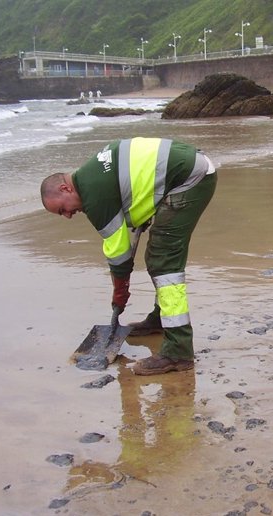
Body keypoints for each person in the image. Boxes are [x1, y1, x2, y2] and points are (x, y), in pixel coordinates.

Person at [40, 138, 217, 375]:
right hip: (187, 170)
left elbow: (119, 253)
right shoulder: (90, 177)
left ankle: (178, 351)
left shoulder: (95, 196)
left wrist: (120, 290)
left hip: (190, 178)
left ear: (65, 189)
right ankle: (160, 319)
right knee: (159, 255)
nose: (68, 215)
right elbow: (131, 222)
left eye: (62, 209)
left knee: (164, 263)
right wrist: (122, 285)